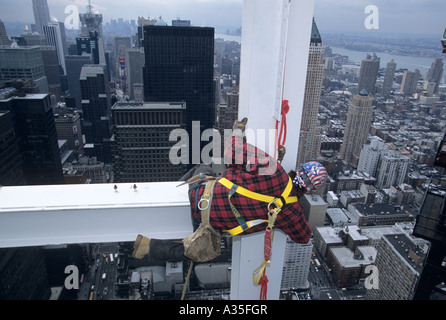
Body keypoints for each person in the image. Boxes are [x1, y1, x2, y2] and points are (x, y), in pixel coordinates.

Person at [132, 119, 327, 262]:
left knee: (204, 167)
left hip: (200, 195)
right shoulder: (292, 213)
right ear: (310, 191)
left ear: (299, 169)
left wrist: (238, 132)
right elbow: (304, 237)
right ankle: (148, 248)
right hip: (208, 226)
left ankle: (173, 192)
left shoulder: (273, 169)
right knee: (193, 251)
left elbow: (231, 152)